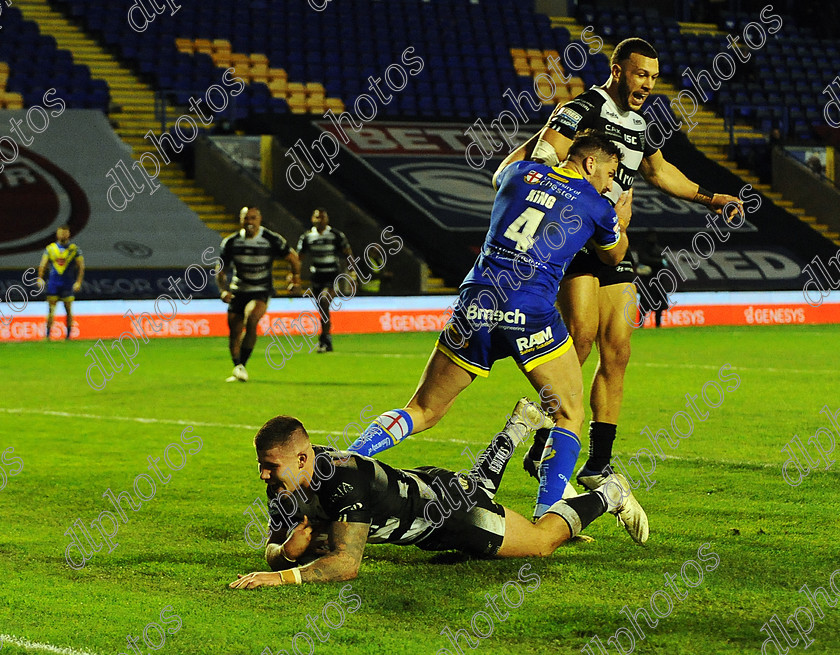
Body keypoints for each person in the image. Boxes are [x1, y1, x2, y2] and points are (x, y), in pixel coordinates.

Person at [346, 130, 641, 533]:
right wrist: (621, 222)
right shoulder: (596, 204)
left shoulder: (521, 173)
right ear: (591, 163)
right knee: (569, 413)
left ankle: (341, 467)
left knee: (423, 410)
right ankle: (547, 514)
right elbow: (614, 255)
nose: (611, 182)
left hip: (477, 302)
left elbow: (502, 170)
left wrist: (546, 132)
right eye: (610, 171)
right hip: (530, 309)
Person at [495, 38, 744, 492]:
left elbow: (659, 172)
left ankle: (597, 465)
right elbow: (540, 161)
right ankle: (543, 450)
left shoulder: (640, 124)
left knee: (619, 348)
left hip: (613, 237)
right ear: (617, 70)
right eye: (639, 74)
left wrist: (712, 198)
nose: (647, 84)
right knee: (581, 340)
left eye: (652, 76)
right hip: (573, 238)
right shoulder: (581, 109)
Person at [229, 398, 648, 587]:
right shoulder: (284, 485)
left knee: (540, 542)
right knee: (478, 486)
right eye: (262, 465)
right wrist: (284, 551)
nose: (263, 475)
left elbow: (346, 565)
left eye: (270, 466)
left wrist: (281, 575)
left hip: (452, 513)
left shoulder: (344, 478)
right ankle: (518, 425)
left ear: (302, 459)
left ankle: (608, 493)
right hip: (433, 496)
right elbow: (274, 543)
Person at [217, 206, 301, 382]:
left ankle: (243, 365)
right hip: (238, 291)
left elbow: (293, 258)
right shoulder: (231, 242)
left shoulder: (270, 239)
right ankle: (238, 366)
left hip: (261, 290)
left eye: (253, 218)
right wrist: (223, 290)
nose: (250, 222)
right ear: (241, 220)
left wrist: (296, 280)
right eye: (246, 218)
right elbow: (221, 269)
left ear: (259, 220)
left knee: (252, 318)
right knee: (234, 332)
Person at [295, 208, 353, 353]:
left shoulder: (335, 235)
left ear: (327, 219)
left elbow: (348, 254)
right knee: (322, 308)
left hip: (332, 276)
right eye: (317, 217)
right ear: (312, 219)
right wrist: (295, 275)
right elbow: (299, 257)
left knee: (324, 300)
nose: (319, 220)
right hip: (316, 277)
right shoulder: (307, 237)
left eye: (322, 217)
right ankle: (326, 339)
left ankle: (325, 338)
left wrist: (352, 273)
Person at [37, 225, 84, 341]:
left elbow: (81, 266)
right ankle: (48, 335)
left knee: (68, 310)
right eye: (61, 232)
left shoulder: (74, 249)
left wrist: (78, 282)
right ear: (57, 234)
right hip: (53, 283)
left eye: (65, 232)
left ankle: (68, 336)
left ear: (68, 234)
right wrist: (40, 278)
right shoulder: (50, 248)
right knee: (51, 310)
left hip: (67, 283)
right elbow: (43, 264)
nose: (63, 235)